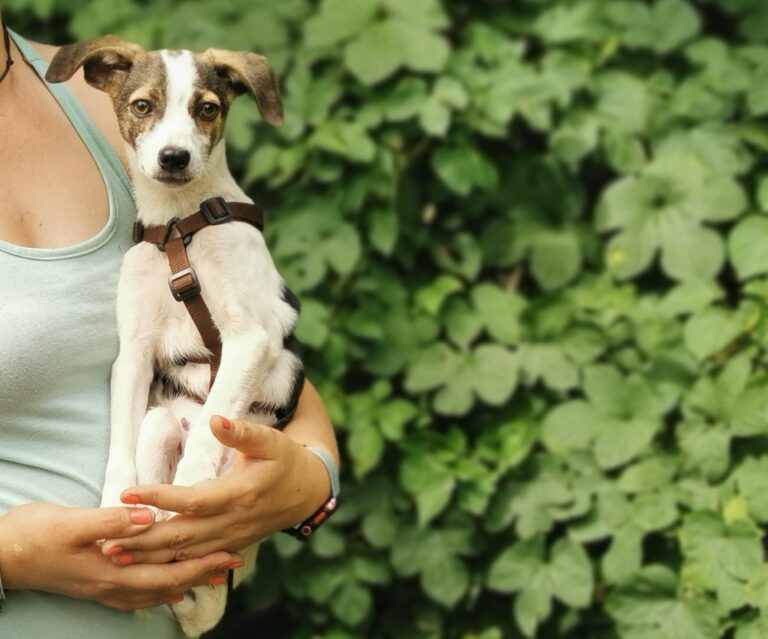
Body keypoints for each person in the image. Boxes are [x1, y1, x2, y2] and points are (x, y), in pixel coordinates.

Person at [0, 15, 340, 639]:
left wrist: (313, 477)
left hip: (167, 607)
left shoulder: (87, 104)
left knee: (164, 422)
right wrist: (10, 558)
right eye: (149, 110)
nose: (174, 136)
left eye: (202, 110)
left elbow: (259, 366)